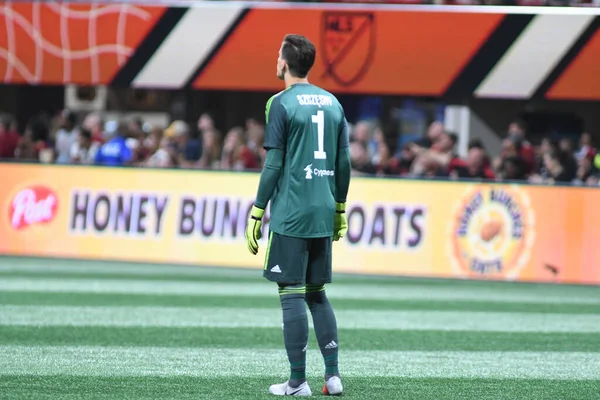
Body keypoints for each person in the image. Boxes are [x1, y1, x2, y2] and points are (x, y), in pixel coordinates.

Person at [244, 34, 351, 397]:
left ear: (285, 63)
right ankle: (333, 377)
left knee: (291, 292)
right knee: (317, 294)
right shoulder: (333, 102)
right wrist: (340, 207)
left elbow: (273, 163)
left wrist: (258, 209)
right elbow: (344, 162)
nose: (276, 61)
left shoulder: (281, 103)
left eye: (278, 55)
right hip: (323, 208)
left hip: (292, 210)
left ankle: (297, 382)